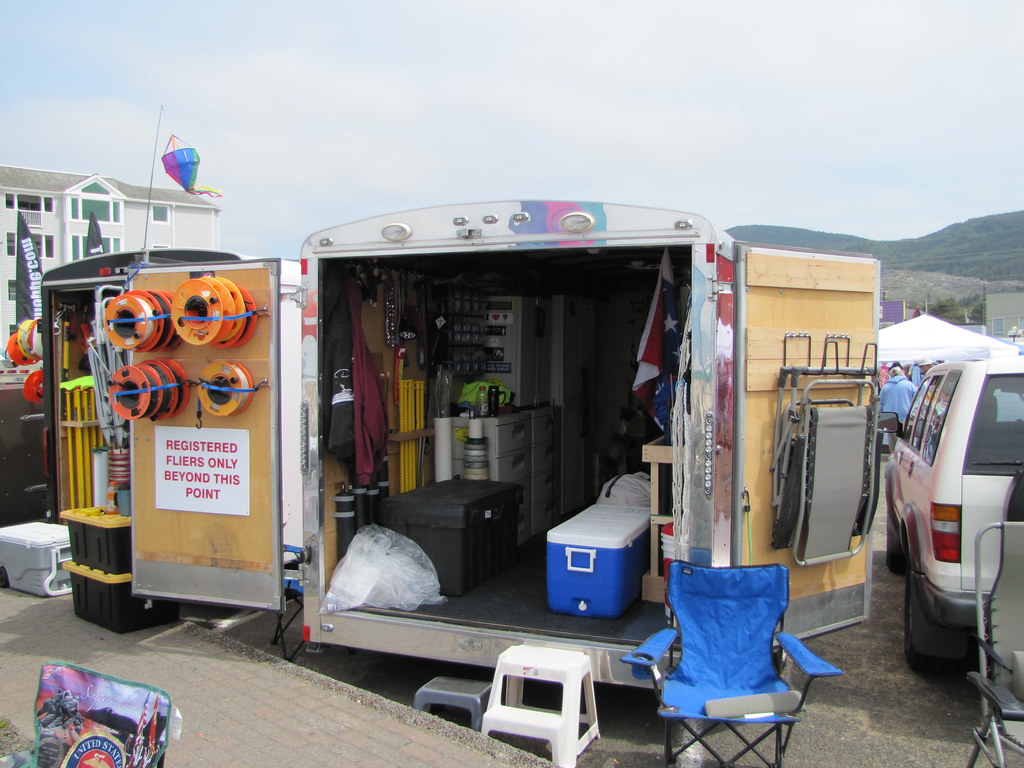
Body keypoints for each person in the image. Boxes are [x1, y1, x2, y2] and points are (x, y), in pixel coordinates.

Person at [880, 365, 917, 442]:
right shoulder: (909, 385)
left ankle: (894, 453)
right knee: (904, 442)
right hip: (906, 418)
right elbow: (917, 402)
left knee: (893, 443)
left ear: (891, 375)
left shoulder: (885, 387)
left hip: (890, 418)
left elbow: (880, 404)